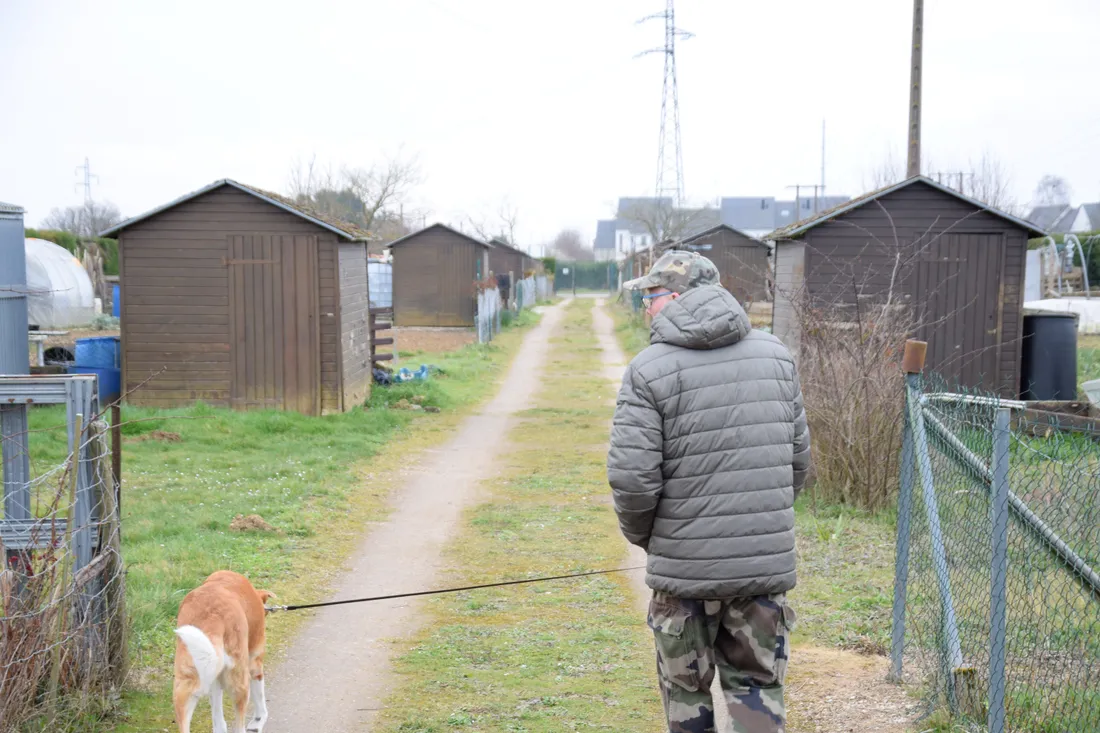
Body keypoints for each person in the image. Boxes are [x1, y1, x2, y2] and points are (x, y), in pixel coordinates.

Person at [608, 249, 810, 733]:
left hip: (683, 582)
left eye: (651, 296)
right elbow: (797, 463)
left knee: (686, 695)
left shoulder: (648, 370)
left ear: (677, 297)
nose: (646, 308)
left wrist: (651, 541)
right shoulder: (777, 357)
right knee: (758, 695)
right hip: (761, 577)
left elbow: (633, 480)